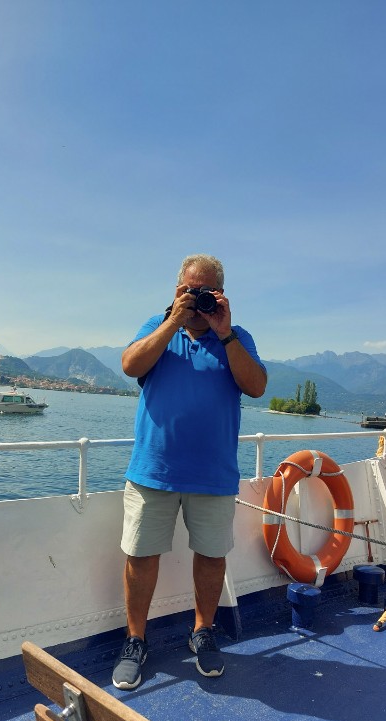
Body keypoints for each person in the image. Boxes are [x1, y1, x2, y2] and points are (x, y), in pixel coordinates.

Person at [112, 254, 267, 690]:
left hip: (213, 475)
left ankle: (203, 631)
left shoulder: (237, 337)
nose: (197, 299)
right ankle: (135, 640)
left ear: (220, 293)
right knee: (141, 557)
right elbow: (130, 365)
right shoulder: (157, 326)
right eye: (189, 290)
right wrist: (172, 322)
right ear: (177, 290)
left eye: (205, 291)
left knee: (212, 557)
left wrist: (225, 332)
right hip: (153, 471)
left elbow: (256, 386)